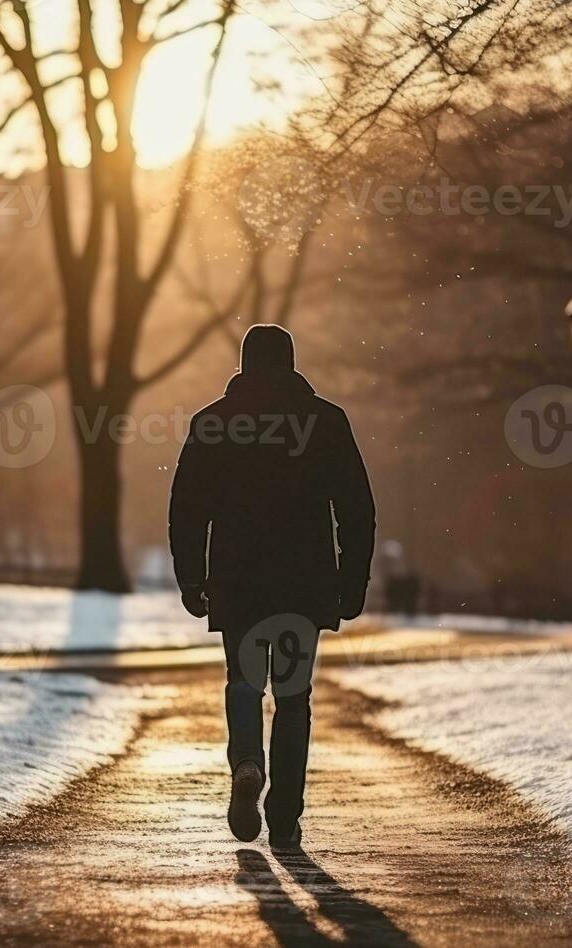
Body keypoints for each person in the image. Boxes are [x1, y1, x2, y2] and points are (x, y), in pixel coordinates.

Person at [168, 324, 376, 847]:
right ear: (291, 363)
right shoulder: (326, 422)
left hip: (238, 579)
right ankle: (285, 814)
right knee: (293, 695)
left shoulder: (213, 424)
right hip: (304, 583)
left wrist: (191, 577)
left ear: (243, 364)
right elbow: (356, 510)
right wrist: (352, 581)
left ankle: (246, 764)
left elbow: (187, 511)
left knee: (243, 681)